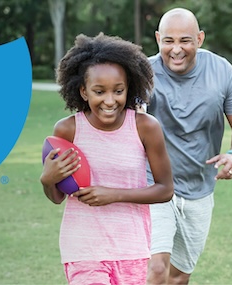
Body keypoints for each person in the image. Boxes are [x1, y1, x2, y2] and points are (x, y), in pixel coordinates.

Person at [40, 33, 174, 285]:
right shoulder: (67, 130)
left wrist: (114, 194)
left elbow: (165, 189)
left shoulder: (145, 127)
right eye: (99, 91)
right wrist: (47, 180)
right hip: (83, 248)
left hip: (131, 247)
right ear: (83, 90)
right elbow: (58, 196)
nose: (110, 100)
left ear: (129, 87)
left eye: (118, 91)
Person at [145, 8, 232, 284]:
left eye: (185, 40)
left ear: (200, 39)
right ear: (158, 38)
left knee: (179, 275)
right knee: (157, 268)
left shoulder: (221, 71)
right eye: (168, 41)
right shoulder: (143, 74)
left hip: (199, 189)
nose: (176, 49)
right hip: (153, 185)